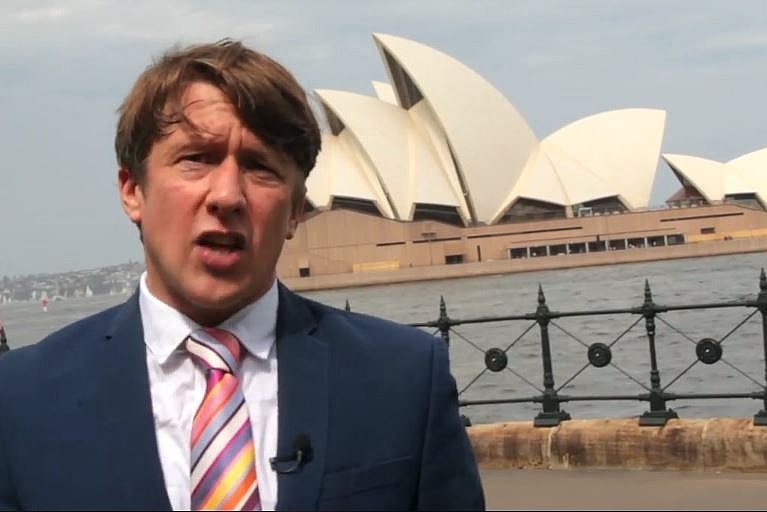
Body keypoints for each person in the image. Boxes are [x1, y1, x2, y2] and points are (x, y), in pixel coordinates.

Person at [0, 39, 484, 510]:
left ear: (296, 209)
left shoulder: (403, 377)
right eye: (196, 159)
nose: (227, 195)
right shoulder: (21, 399)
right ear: (132, 190)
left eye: (260, 167)